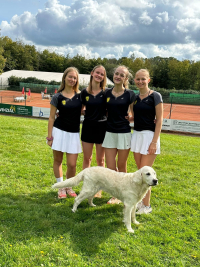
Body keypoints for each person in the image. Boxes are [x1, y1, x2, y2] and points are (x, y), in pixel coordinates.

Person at [130, 69, 163, 214]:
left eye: (143, 79)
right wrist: (129, 118)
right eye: (138, 79)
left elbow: (160, 119)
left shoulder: (156, 96)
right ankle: (140, 203)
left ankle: (147, 206)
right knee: (141, 173)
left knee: (147, 173)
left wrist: (154, 142)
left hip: (150, 137)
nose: (140, 81)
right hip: (137, 135)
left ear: (148, 80)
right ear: (135, 80)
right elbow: (134, 115)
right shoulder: (135, 97)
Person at [47, 67, 82, 199]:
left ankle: (69, 186)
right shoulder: (57, 96)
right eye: (70, 77)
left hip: (73, 133)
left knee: (72, 164)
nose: (72, 79)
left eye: (75, 78)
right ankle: (60, 187)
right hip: (59, 131)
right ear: (65, 78)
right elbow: (51, 117)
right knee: (58, 160)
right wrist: (50, 137)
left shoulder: (80, 96)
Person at [102, 65, 136, 204]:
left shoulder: (130, 94)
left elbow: (134, 113)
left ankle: (124, 193)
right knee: (110, 168)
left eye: (122, 75)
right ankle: (115, 194)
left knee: (121, 166)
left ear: (125, 79)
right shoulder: (106, 93)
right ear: (113, 74)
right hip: (109, 132)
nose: (118, 76)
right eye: (116, 74)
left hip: (124, 133)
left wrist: (131, 117)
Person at [81, 65, 107, 198]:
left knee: (100, 160)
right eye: (97, 73)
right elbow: (78, 108)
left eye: (102, 74)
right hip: (87, 128)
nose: (99, 76)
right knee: (87, 158)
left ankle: (98, 189)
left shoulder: (106, 92)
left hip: (102, 129)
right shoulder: (84, 93)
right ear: (92, 73)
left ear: (104, 77)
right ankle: (86, 187)